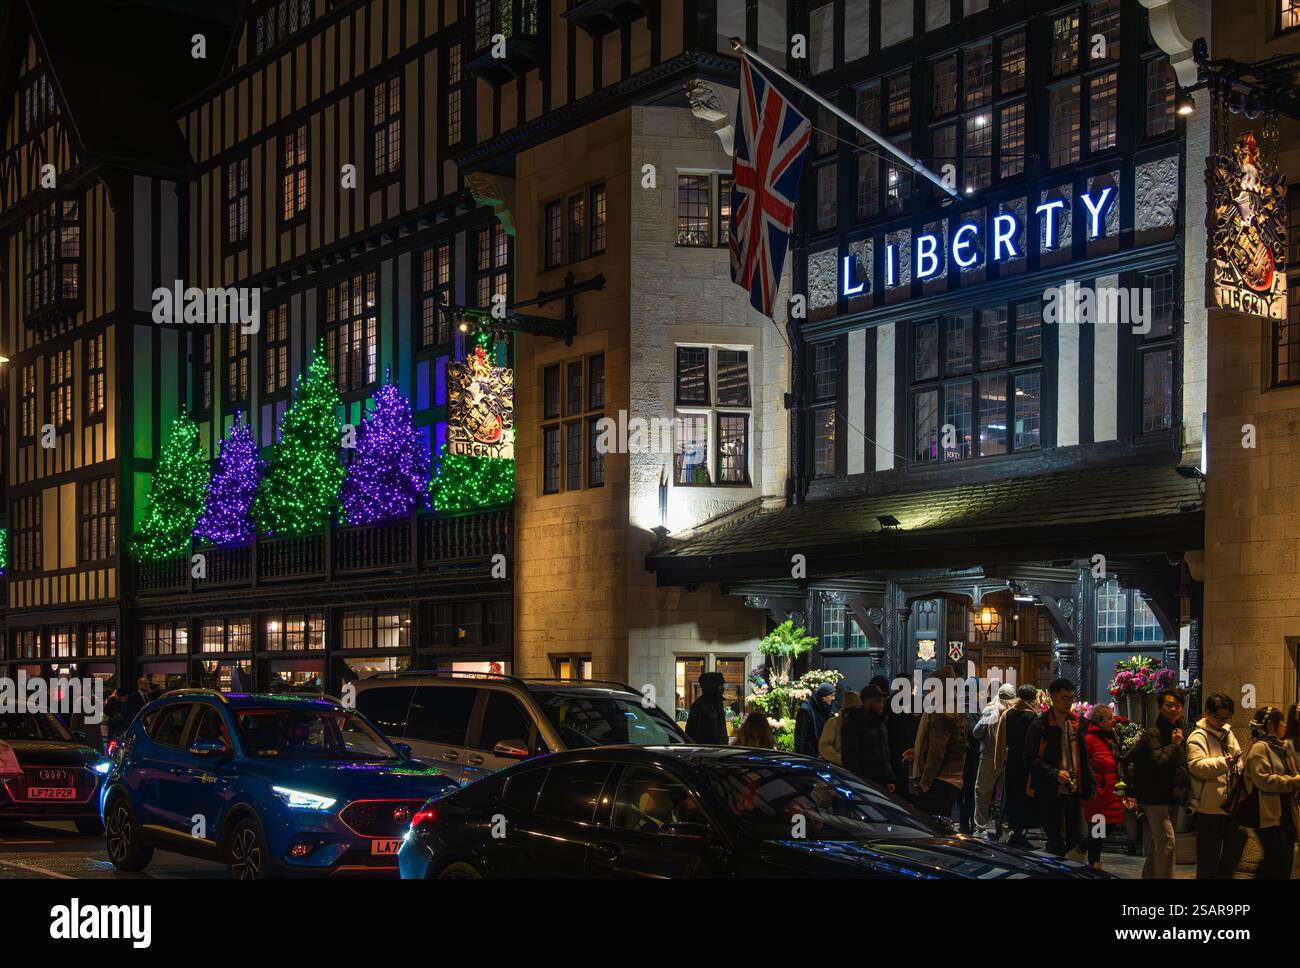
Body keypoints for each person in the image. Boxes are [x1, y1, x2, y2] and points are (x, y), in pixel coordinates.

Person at [1024, 678, 1093, 859]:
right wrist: (1054, 773)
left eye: (1071, 698)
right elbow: (1030, 758)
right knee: (1054, 836)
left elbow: (1088, 757)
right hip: (1050, 789)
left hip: (1075, 788)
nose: (1069, 702)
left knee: (1075, 836)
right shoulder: (1040, 725)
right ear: (1053, 697)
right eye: (1064, 698)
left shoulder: (1079, 724)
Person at [1130, 686, 1190, 879]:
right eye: (1169, 705)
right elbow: (1161, 761)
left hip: (1171, 795)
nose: (1174, 709)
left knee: (1159, 845)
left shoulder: (1178, 731)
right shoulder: (1153, 733)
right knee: (1167, 842)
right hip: (1155, 796)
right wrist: (1175, 744)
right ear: (1160, 706)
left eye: (1178, 705)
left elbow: (1180, 764)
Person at [1186, 692, 1245, 879]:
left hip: (1230, 806)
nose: (1222, 721)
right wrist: (1223, 763)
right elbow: (1196, 766)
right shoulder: (1198, 737)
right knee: (1208, 861)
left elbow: (1239, 759)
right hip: (1208, 807)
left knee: (1230, 858)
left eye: (1226, 717)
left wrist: (1237, 765)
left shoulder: (1228, 733)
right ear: (1207, 713)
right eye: (1218, 717)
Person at [1243, 706, 1300, 879]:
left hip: (1285, 813)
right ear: (1269, 725)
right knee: (1276, 860)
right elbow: (1263, 780)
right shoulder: (1260, 748)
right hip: (1268, 816)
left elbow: (1291, 772)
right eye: (1279, 721)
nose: (1283, 725)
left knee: (1284, 861)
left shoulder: (1280, 746)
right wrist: (1293, 781)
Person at [911, 665, 967, 819]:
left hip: (940, 780)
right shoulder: (955, 708)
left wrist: (925, 782)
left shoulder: (943, 712)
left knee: (932, 829)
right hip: (951, 780)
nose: (929, 691)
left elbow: (937, 752)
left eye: (932, 686)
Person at [1080, 704, 1124, 869]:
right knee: (1098, 829)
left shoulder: (1109, 736)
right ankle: (1094, 863)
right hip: (1098, 793)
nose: (1112, 721)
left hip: (1110, 791)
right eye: (1110, 718)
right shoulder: (1090, 739)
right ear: (1100, 720)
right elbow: (1084, 766)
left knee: (1108, 826)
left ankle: (1084, 849)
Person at [972, 683, 1017, 838]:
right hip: (1010, 758)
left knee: (982, 792)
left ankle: (981, 829)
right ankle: (1004, 829)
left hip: (990, 757)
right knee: (1004, 794)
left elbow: (976, 733)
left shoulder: (991, 711)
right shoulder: (1015, 712)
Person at [1002, 683, 1041, 848]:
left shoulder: (1008, 713)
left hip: (1011, 760)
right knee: (1025, 796)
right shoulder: (1032, 716)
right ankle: (1019, 834)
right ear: (1032, 698)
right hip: (1027, 763)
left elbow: (1001, 739)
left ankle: (1014, 831)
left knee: (1012, 794)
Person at [841, 684, 895, 791]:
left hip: (881, 783)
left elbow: (884, 751)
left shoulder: (880, 722)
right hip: (865, 784)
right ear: (868, 701)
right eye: (878, 701)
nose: (882, 705)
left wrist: (889, 778)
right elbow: (850, 757)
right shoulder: (853, 723)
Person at [684, 672, 729, 745]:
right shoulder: (699, 706)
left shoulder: (718, 703)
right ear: (712, 687)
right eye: (721, 686)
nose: (723, 688)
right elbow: (691, 734)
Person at [818, 690, 860, 764]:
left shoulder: (860, 723)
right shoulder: (833, 723)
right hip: (837, 767)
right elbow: (824, 747)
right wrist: (839, 759)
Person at [795, 682, 835, 758]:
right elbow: (800, 737)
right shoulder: (806, 709)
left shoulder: (826, 709)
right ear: (824, 697)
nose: (834, 698)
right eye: (831, 696)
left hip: (821, 755)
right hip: (809, 756)